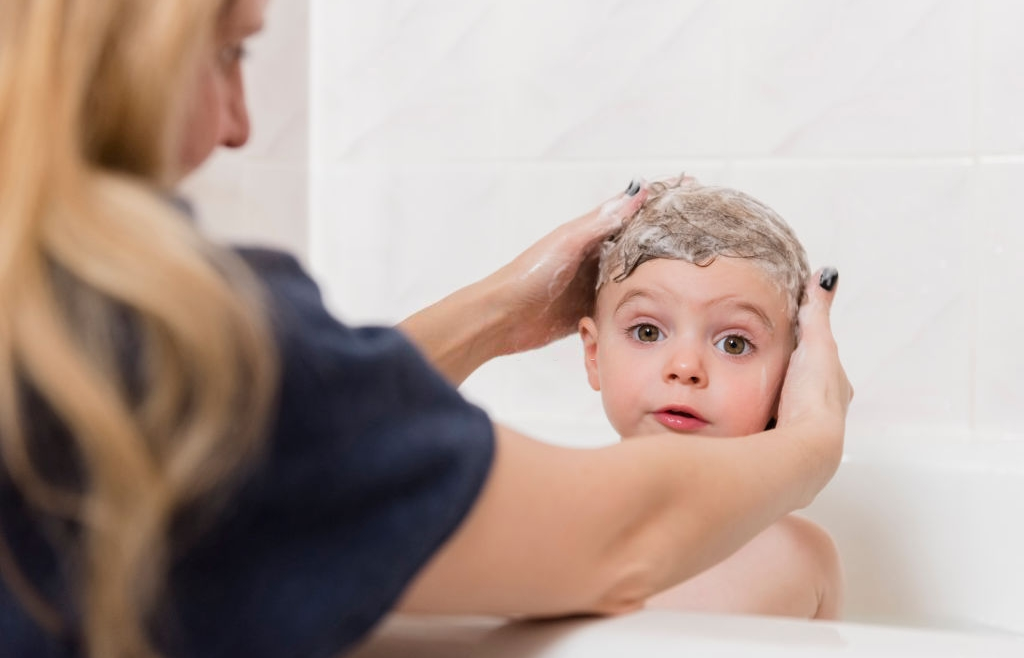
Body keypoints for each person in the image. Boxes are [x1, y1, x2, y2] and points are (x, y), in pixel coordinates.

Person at [0, 1, 852, 657]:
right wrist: (813, 440)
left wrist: (494, 316)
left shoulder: (66, 322)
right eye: (228, 52)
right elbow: (622, 543)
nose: (240, 126)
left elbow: (275, 445)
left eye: (734, 342)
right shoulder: (164, 327)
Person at [578, 178, 842, 619]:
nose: (685, 367)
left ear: (792, 377)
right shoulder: (546, 523)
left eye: (734, 344)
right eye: (648, 332)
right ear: (593, 353)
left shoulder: (802, 559)